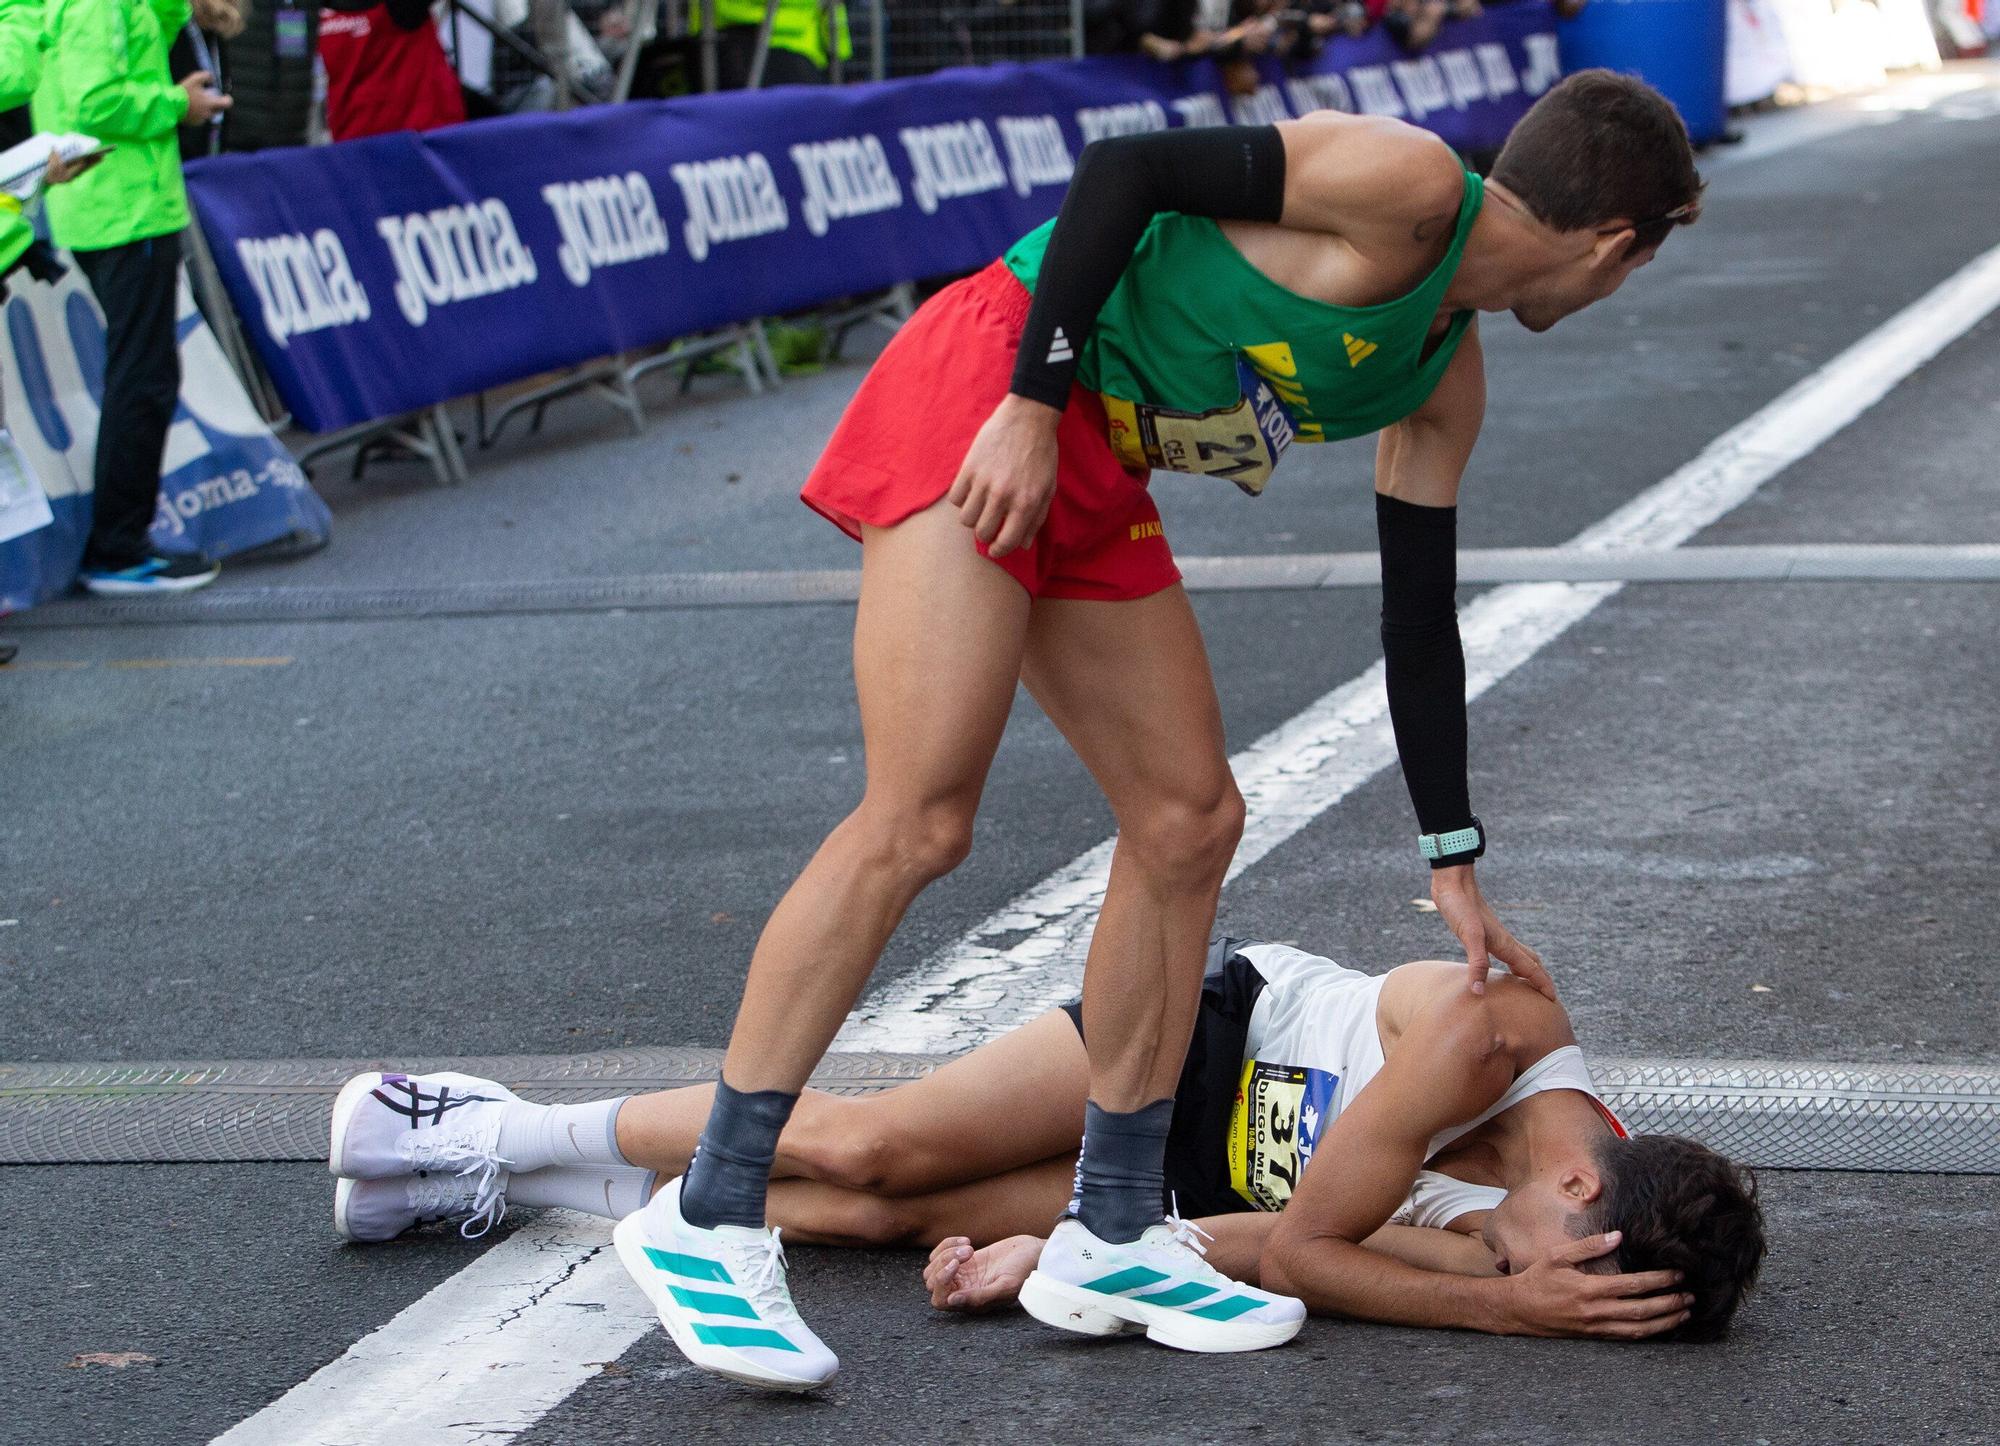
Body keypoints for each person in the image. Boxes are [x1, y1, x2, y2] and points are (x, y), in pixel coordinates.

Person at [600, 71, 1710, 1391]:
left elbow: (1419, 616)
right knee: (922, 815)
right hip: (999, 385)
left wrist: (1452, 854)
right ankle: (709, 1208)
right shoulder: (1408, 187)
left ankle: (1113, 1221)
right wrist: (1025, 403)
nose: (1604, 297)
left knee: (1192, 815)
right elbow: (1126, 170)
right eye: (1628, 275)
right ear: (1615, 244)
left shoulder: (1439, 374)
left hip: (1092, 459)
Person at [326, 937, 1766, 1345]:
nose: (1502, 1262)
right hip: (1205, 1042)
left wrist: (1068, 1246)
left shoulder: (1544, 1204)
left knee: (891, 1222)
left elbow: (1275, 1246)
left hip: (1215, 1175)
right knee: (882, 1147)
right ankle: (476, 1118)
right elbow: (1330, 1245)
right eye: (1539, 1258)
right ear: (1578, 1183)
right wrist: (1511, 1304)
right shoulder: (1494, 1039)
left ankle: (518, 1184)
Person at [35, 0, 229, 595]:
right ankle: (119, 548)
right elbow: (95, 102)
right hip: (123, 212)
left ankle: (121, 543)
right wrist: (178, 103)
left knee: (144, 375)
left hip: (122, 208)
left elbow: (138, 52)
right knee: (142, 378)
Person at [317, 0, 464, 142]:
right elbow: (294, 78)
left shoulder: (297, 14)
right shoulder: (298, 14)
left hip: (422, 139)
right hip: (359, 147)